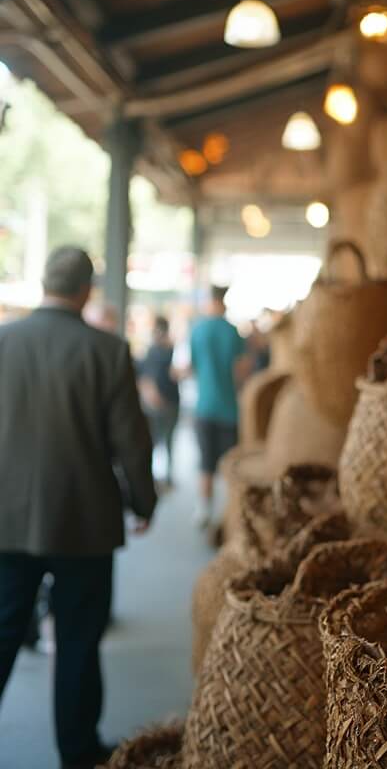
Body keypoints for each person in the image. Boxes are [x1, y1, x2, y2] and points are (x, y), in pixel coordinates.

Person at [0, 246, 157, 769]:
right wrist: (143, 500)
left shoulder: (3, 342)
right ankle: (77, 750)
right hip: (83, 523)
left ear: (43, 283)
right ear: (86, 290)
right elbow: (131, 441)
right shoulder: (107, 350)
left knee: (1, 633)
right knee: (77, 641)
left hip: (6, 518)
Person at [185, 285, 249, 529]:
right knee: (230, 463)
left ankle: (204, 509)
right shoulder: (233, 332)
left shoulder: (197, 329)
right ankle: (230, 512)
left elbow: (189, 367)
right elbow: (242, 370)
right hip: (229, 409)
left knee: (205, 462)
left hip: (204, 407)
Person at [137, 315, 180, 489]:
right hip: (156, 403)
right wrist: (150, 394)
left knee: (167, 441)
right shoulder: (152, 350)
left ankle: (166, 477)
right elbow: (144, 377)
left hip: (169, 401)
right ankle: (154, 477)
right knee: (155, 441)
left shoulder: (171, 349)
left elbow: (176, 373)